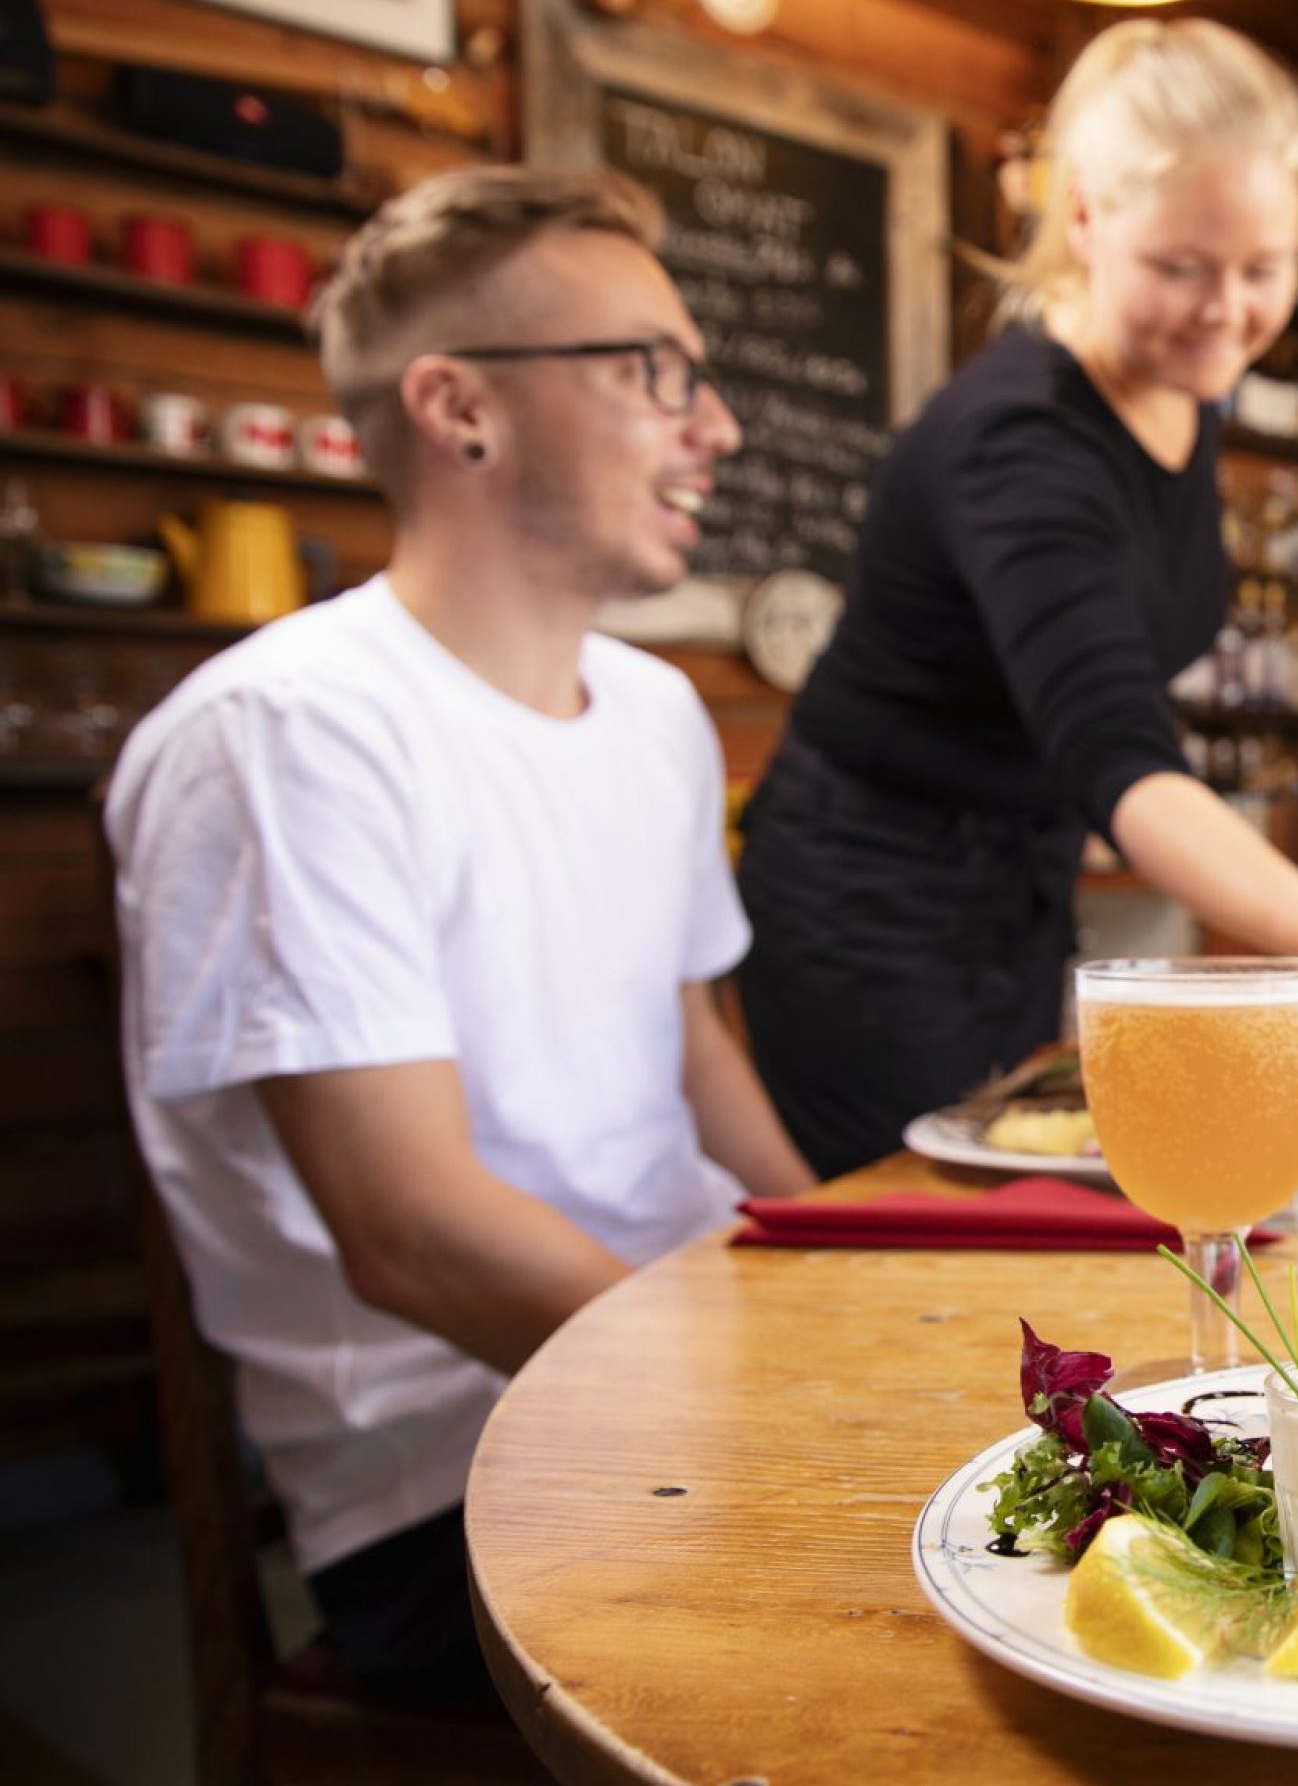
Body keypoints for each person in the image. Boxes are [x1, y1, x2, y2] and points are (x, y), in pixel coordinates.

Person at [106, 166, 814, 1704]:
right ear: (460, 409)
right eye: (656, 373)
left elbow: (692, 1045)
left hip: (690, 1354)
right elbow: (413, 1234)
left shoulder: (661, 711)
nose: (718, 427)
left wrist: (841, 1271)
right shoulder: (287, 734)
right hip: (456, 1475)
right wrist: (809, 1396)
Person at [737, 19, 1298, 1177]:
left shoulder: (1188, 388)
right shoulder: (1019, 437)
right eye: (1181, 266)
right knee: (941, 1227)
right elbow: (1118, 754)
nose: (1226, 308)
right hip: (865, 896)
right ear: (1083, 216)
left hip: (1021, 884)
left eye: (1263, 269)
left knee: (1040, 1195)